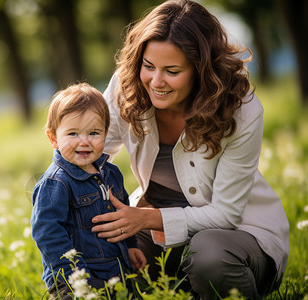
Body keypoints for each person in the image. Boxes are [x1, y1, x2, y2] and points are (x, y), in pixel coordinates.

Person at [90, 0, 290, 299]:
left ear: (201, 70)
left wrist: (146, 218)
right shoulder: (128, 86)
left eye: (172, 71)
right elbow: (92, 152)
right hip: (157, 232)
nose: (156, 82)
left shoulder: (241, 109)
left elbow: (226, 214)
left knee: (208, 256)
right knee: (102, 250)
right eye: (148, 66)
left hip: (236, 238)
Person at [31, 83, 147, 299]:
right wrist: (75, 275)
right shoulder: (56, 182)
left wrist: (130, 246)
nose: (84, 142)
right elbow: (47, 233)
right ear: (53, 138)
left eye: (94, 133)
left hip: (117, 272)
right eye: (73, 133)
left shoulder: (111, 174)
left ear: (106, 132)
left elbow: (122, 215)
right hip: (74, 280)